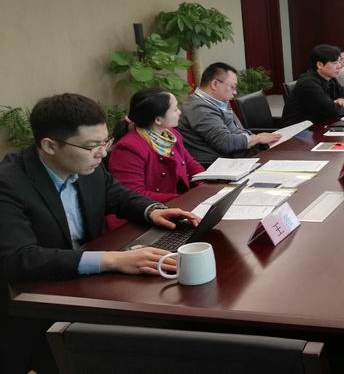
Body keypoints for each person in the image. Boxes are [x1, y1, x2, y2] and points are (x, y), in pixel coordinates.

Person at [0, 93, 200, 373]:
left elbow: (116, 195)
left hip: (88, 287)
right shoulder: (9, 183)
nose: (103, 153)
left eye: (105, 142)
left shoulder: (86, 165)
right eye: (92, 146)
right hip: (37, 303)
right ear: (49, 146)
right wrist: (112, 260)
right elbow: (19, 258)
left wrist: (152, 210)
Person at [107, 88, 204, 230]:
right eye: (174, 109)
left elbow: (190, 164)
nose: (179, 112)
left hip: (175, 206)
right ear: (158, 120)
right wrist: (183, 198)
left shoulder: (171, 135)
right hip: (142, 219)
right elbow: (134, 194)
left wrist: (205, 185)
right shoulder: (128, 148)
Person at [178, 62, 281, 166]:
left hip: (235, 156)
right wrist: (257, 138)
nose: (235, 92)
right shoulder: (198, 108)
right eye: (232, 87)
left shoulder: (218, 101)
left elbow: (234, 130)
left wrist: (256, 140)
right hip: (219, 164)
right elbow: (224, 142)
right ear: (215, 84)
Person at [282, 44, 344, 126]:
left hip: (318, 124)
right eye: (335, 63)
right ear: (320, 65)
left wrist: (343, 99)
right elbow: (333, 111)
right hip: (299, 130)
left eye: (339, 62)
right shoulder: (308, 83)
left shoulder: (330, 79)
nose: (339, 66)